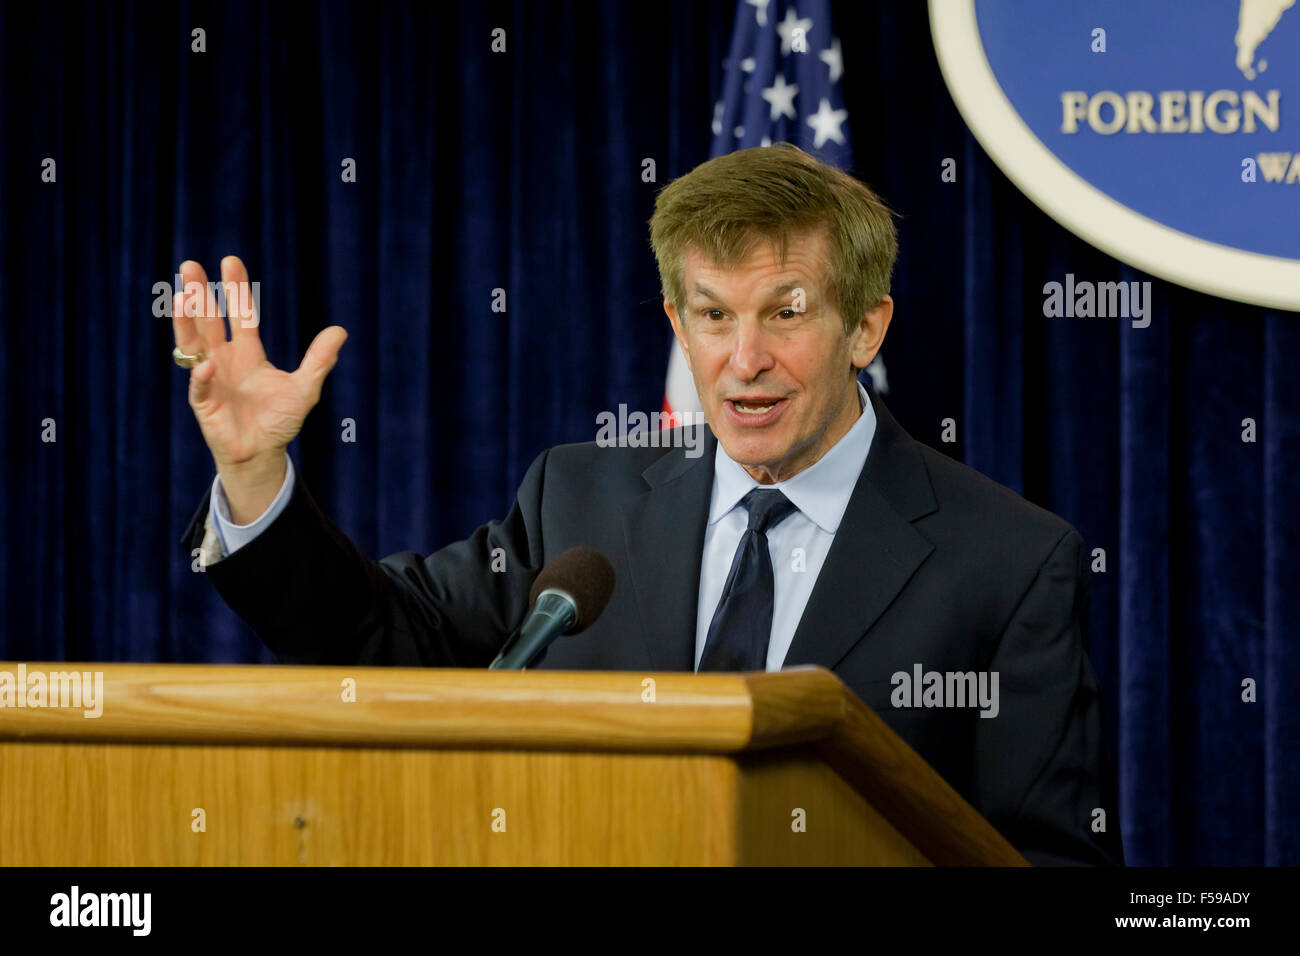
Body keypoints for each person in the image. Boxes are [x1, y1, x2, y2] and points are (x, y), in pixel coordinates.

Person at [175, 143, 1122, 866]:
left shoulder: (1008, 562)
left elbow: (1043, 859)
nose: (744, 359)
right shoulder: (579, 501)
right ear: (678, 323)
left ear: (865, 325)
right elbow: (380, 642)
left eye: (786, 312)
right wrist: (255, 472)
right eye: (713, 314)